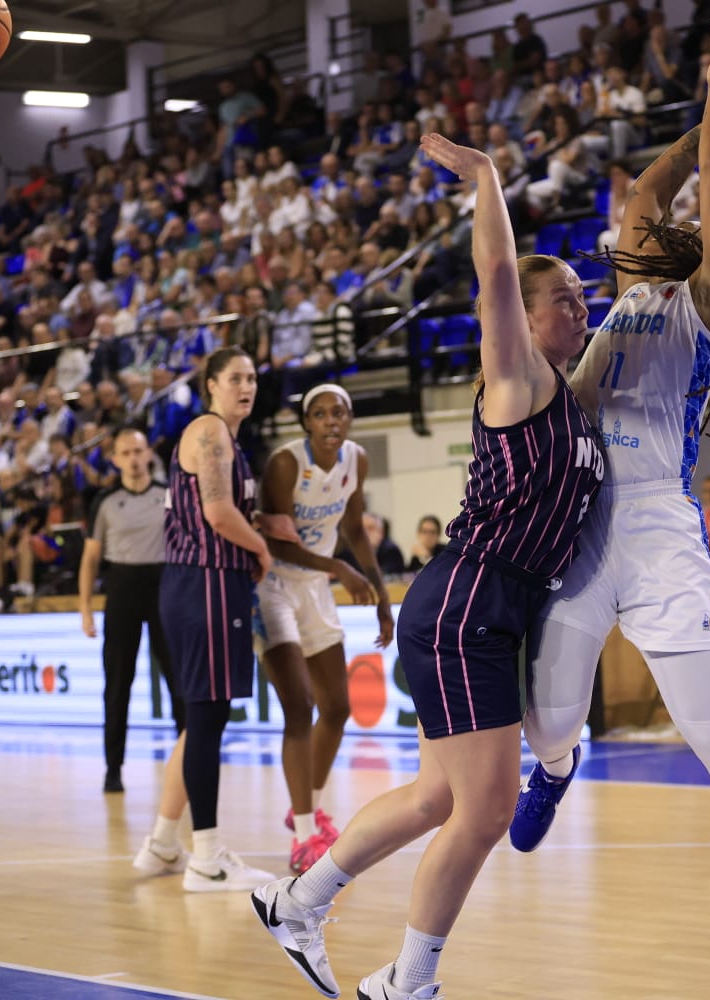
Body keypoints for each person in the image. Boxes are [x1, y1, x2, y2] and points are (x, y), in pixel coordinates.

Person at [250, 132, 604, 1000]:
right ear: (526, 315)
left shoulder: (575, 397)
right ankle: (408, 982)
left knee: (436, 801)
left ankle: (298, 902)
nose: (582, 308)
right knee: (482, 811)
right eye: (565, 298)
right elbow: (493, 279)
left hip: (486, 607)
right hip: (468, 602)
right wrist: (486, 181)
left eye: (584, 296)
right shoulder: (517, 376)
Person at [509, 18, 710, 853]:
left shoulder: (706, 311)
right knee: (545, 725)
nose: (635, 234)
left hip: (655, 526)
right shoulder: (611, 305)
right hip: (580, 527)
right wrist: (703, 126)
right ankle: (553, 768)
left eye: (649, 238)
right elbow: (646, 189)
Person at [254, 383, 392, 875]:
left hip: (315, 586)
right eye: (320, 414)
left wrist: (380, 596)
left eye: (340, 412)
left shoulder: (356, 459)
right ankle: (306, 836)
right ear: (306, 423)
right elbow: (278, 544)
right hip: (272, 585)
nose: (331, 420)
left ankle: (303, 808)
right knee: (300, 707)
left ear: (350, 418)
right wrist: (340, 570)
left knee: (337, 707)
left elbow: (355, 530)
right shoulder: (286, 464)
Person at [158, 346, 278, 892]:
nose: (246, 386)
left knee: (201, 718)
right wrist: (261, 548)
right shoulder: (209, 431)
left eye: (252, 377)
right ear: (211, 385)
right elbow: (216, 512)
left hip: (202, 582)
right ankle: (205, 856)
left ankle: (163, 840)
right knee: (207, 717)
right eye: (235, 378)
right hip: (205, 580)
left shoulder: (227, 439)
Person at [78, 428, 181, 794]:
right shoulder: (105, 502)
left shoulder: (168, 495)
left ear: (148, 455)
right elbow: (91, 559)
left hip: (163, 587)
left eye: (139, 450)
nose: (135, 458)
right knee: (118, 683)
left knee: (178, 681)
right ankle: (113, 768)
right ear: (115, 459)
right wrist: (86, 608)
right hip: (122, 588)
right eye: (127, 452)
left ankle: (187, 761)